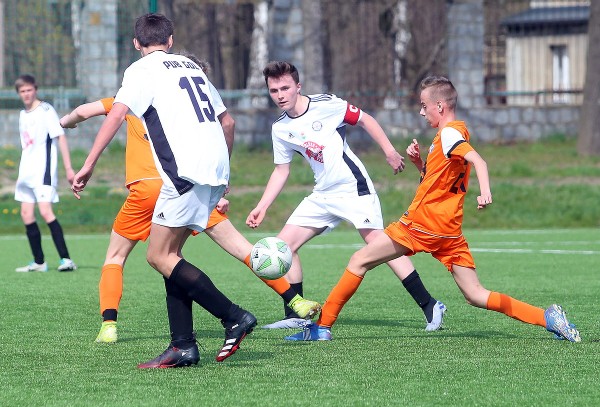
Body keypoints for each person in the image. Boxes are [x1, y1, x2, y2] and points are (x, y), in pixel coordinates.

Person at [285, 75, 581, 343]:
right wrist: (419, 164)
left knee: (359, 260)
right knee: (476, 294)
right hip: (448, 230)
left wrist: (485, 192)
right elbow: (438, 181)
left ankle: (322, 327)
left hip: (422, 224)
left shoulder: (450, 134)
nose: (421, 111)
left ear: (440, 106)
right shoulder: (451, 135)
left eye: (424, 105)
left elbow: (479, 161)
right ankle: (547, 317)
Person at [60, 55, 320, 346]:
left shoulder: (132, 97)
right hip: (190, 184)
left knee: (117, 257)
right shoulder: (186, 110)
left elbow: (83, 111)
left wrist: (65, 122)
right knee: (242, 249)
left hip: (150, 189)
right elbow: (225, 125)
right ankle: (294, 300)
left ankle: (109, 326)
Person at [72, 13, 262, 368]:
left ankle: (233, 316)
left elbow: (116, 114)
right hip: (212, 170)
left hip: (182, 174)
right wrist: (222, 173)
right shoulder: (191, 67)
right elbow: (228, 121)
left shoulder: (141, 70)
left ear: (136, 44)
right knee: (171, 256)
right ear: (170, 40)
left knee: (158, 257)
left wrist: (89, 163)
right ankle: (183, 346)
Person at [246, 61, 446, 331]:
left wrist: (389, 151)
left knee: (380, 245)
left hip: (353, 188)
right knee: (284, 246)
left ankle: (430, 305)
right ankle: (295, 314)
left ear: (298, 86)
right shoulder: (280, 128)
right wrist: (262, 206)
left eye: (285, 88)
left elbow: (365, 119)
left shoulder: (326, 104)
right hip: (323, 193)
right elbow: (281, 170)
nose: (280, 95)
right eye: (274, 90)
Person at [13, 74, 77, 273]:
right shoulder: (23, 114)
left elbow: (61, 137)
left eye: (29, 90)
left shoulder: (46, 110)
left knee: (45, 211)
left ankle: (66, 260)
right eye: (22, 91)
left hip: (43, 171)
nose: (26, 94)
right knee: (26, 214)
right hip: (26, 172)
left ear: (35, 89)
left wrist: (68, 168)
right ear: (18, 93)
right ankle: (39, 262)